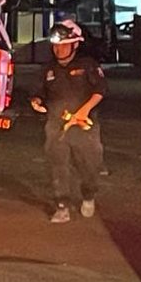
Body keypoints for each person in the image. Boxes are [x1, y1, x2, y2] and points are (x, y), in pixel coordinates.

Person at [30, 19, 106, 223]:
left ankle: (88, 195)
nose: (58, 50)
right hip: (57, 125)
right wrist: (36, 101)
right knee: (58, 165)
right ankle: (62, 205)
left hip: (84, 125)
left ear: (75, 44)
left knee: (89, 165)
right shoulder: (48, 70)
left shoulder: (88, 65)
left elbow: (100, 91)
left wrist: (83, 112)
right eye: (55, 45)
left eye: (63, 45)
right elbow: (39, 93)